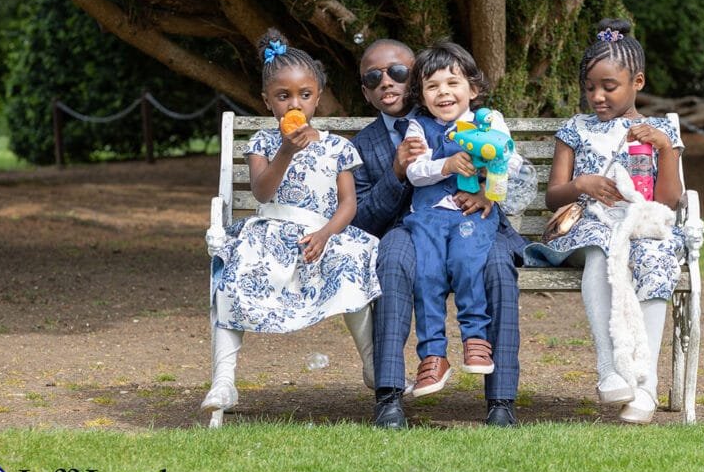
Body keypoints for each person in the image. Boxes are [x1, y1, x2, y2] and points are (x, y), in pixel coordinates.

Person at [201, 28, 380, 419]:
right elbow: (263, 193)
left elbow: (349, 204)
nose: (293, 103)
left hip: (323, 233)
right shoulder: (264, 144)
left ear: (318, 96)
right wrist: (284, 150)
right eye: (283, 97)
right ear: (268, 101)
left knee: (351, 270)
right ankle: (224, 380)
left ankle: (373, 364)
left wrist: (326, 233)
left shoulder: (337, 146)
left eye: (304, 95)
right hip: (269, 233)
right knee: (232, 281)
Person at [351, 39, 526, 428]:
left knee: (497, 267)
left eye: (397, 72)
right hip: (410, 227)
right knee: (394, 261)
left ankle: (501, 401)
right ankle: (390, 396)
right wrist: (396, 173)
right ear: (365, 91)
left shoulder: (470, 117)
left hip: (478, 220)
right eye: (373, 77)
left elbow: (512, 167)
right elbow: (362, 219)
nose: (387, 82)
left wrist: (487, 195)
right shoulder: (365, 143)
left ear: (411, 78)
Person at [523, 19, 684, 425]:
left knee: (656, 255)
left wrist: (664, 149)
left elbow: (668, 200)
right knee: (600, 244)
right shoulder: (575, 130)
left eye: (608, 87)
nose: (597, 96)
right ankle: (610, 368)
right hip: (588, 228)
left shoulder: (660, 132)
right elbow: (553, 195)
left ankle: (644, 387)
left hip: (641, 225)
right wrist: (583, 183)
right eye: (590, 86)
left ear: (638, 81)